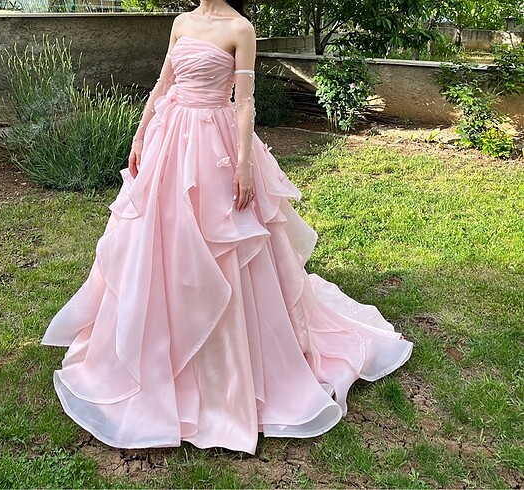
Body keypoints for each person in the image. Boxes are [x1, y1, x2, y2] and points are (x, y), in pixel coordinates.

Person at [42, 0, 413, 455]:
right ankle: (159, 342)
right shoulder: (181, 22)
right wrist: (139, 136)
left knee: (224, 244)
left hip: (214, 147)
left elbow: (244, 102)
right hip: (170, 142)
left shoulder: (241, 29)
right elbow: (163, 83)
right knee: (161, 240)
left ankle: (230, 364)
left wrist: (243, 164)